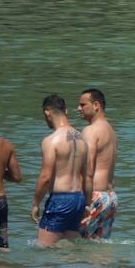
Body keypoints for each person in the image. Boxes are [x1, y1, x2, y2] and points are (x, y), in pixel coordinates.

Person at [31, 95, 87, 247]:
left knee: (43, 249)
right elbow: (86, 176)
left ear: (47, 113)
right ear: (66, 111)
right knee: (69, 250)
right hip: (78, 199)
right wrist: (86, 203)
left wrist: (36, 204)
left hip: (60, 200)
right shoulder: (82, 139)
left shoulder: (51, 141)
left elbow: (45, 177)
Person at [76, 89, 118, 240]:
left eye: (82, 105)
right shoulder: (110, 130)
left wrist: (85, 204)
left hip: (94, 196)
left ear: (96, 105)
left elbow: (88, 170)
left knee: (74, 244)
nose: (78, 109)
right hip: (110, 197)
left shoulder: (90, 131)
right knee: (99, 249)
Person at [0, 118, 22, 251]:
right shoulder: (6, 145)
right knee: (1, 247)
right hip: (0, 200)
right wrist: (1, 172)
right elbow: (17, 177)